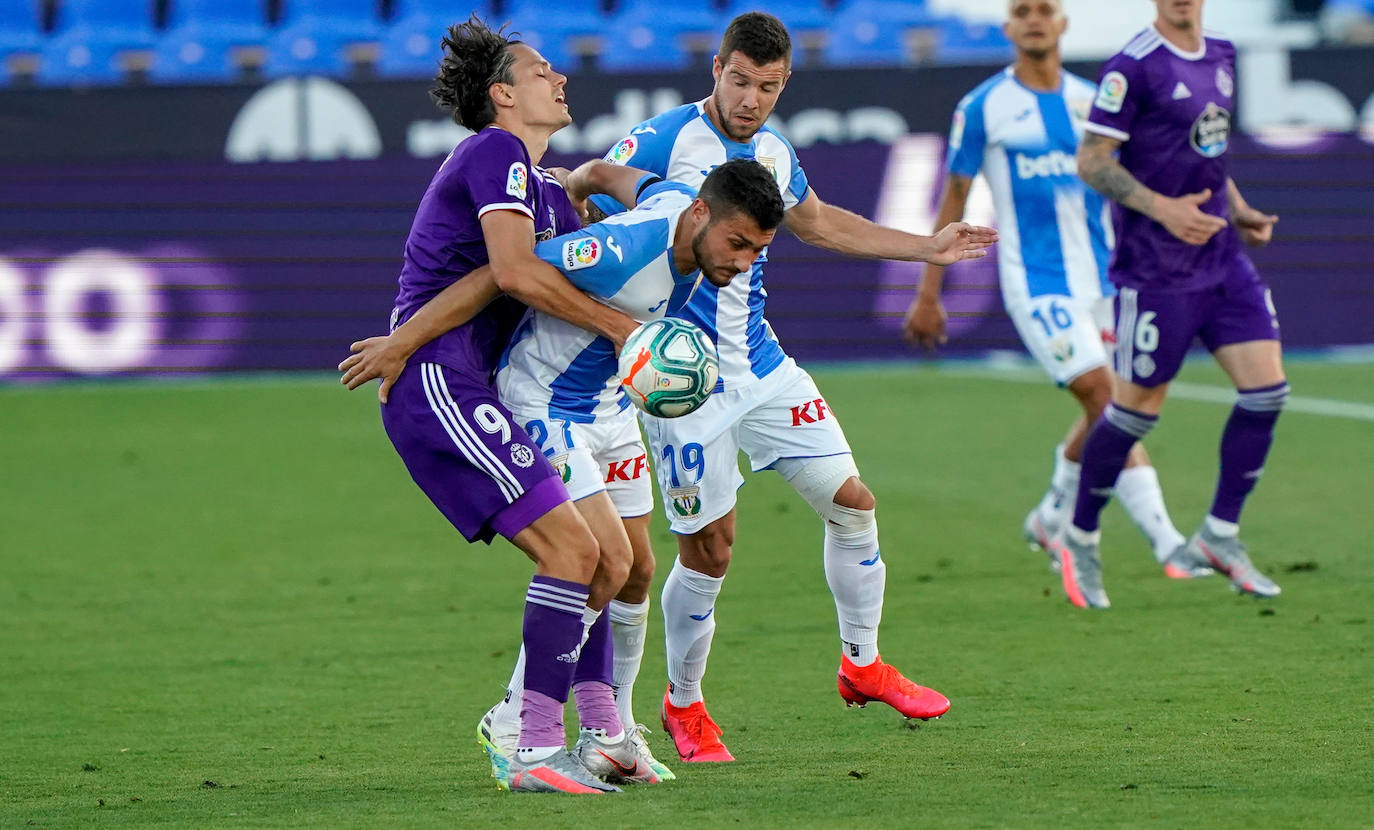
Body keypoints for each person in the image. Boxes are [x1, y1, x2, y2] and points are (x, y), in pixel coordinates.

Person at [591, 12, 995, 763]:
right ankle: (684, 705)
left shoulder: (774, 149)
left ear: (784, 85)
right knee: (710, 551)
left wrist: (926, 251)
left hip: (766, 366)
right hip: (684, 380)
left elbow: (816, 223)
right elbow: (592, 204)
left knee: (854, 506)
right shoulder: (661, 140)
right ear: (716, 68)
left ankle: (862, 664)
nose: (751, 99)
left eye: (767, 87)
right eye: (740, 80)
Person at [341, 159, 785, 784]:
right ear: (700, 215)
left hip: (609, 404)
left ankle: (606, 733)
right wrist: (404, 340)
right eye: (737, 244)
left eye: (757, 252)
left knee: (634, 568)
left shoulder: (684, 205)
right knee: (600, 561)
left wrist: (574, 185)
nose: (741, 263)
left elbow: (608, 172)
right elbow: (507, 274)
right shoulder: (621, 250)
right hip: (545, 400)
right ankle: (520, 721)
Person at [343, 17, 640, 794]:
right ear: (502, 93)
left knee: (609, 559)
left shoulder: (539, 186)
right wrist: (623, 330)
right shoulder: (493, 151)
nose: (560, 79)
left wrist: (602, 186)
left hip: (468, 378)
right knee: (573, 555)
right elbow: (511, 274)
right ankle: (527, 742)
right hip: (441, 383)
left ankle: (601, 733)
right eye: (542, 71)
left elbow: (504, 273)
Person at [903, 0, 1195, 579]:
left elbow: (1132, 184)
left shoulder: (1095, 102)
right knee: (1104, 397)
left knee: (1114, 405)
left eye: (1045, 9)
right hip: (1036, 283)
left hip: (1107, 279)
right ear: (1008, 28)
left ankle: (1052, 512)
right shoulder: (983, 106)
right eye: (1021, 10)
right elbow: (954, 198)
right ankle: (1167, 542)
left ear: (1062, 24)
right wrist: (928, 292)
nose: (1034, 18)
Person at [1052, 0, 1285, 608]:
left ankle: (1220, 535)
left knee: (1267, 392)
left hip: (1223, 259)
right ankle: (1078, 536)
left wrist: (1237, 210)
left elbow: (1208, 155)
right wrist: (1163, 210)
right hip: (1155, 270)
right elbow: (1091, 161)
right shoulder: (1133, 66)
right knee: (1134, 414)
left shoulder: (1224, 53)